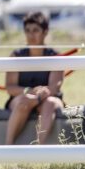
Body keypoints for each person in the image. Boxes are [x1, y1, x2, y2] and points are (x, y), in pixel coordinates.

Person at [4, 11, 65, 144]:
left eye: (36, 30)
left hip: (48, 98)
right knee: (23, 101)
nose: (31, 35)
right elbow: (10, 87)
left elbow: (54, 87)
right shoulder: (16, 55)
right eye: (27, 31)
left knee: (50, 103)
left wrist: (39, 96)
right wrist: (29, 92)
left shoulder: (55, 56)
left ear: (45, 32)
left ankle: (39, 149)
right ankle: (8, 148)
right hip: (22, 96)